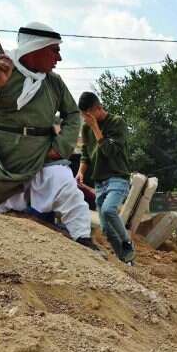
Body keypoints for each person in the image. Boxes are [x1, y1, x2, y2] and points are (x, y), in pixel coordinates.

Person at [0, 22, 95, 249]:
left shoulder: (54, 82)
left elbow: (71, 113)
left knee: (66, 187)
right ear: (36, 48)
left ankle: (83, 240)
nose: (58, 58)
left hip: (39, 157)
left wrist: (61, 146)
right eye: (55, 50)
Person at [76, 92, 135, 264]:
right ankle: (126, 260)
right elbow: (86, 154)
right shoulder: (86, 128)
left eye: (88, 115)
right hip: (99, 182)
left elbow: (110, 151)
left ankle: (127, 242)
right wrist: (80, 171)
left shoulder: (117, 123)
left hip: (118, 176)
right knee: (107, 230)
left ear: (98, 108)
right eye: (83, 116)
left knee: (109, 210)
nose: (86, 119)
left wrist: (95, 127)